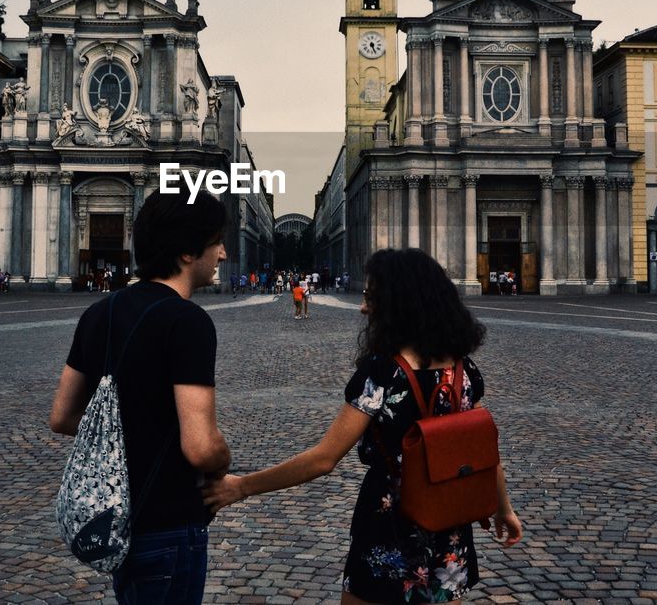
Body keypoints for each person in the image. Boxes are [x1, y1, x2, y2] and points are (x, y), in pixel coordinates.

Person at [202, 248, 522, 603]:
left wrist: (241, 487)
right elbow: (484, 452)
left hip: (391, 524)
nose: (363, 307)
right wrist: (503, 509)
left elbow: (324, 459)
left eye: (371, 298)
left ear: (398, 303)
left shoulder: (383, 373)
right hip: (449, 526)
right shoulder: (464, 371)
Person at [50, 189, 231, 604]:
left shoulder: (100, 312)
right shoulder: (188, 322)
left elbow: (62, 416)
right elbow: (201, 447)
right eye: (216, 242)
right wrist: (224, 458)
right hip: (169, 522)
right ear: (188, 252)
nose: (222, 254)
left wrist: (131, 422)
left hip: (118, 520)